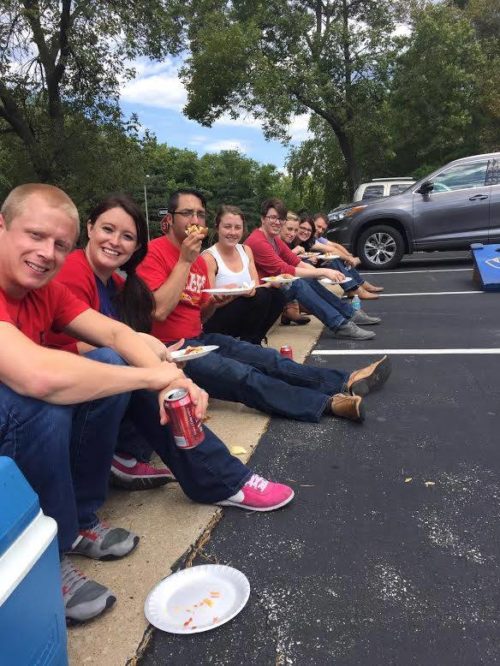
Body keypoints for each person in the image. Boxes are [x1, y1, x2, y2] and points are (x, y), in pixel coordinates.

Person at [0, 185, 293, 627]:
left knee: (112, 362)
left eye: (59, 244)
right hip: (23, 412)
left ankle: (81, 520)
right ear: (2, 227)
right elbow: (36, 375)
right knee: (39, 403)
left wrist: (174, 380)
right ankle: (49, 558)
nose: (47, 253)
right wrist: (151, 376)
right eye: (35, 236)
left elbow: (120, 336)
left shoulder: (49, 289)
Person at [137, 187, 392, 425]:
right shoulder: (154, 253)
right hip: (169, 352)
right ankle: (327, 403)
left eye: (200, 214)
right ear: (169, 219)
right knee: (243, 375)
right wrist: (184, 260)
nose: (195, 219)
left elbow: (201, 314)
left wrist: (218, 302)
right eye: (187, 213)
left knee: (270, 359)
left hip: (198, 339)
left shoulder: (198, 263)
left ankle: (346, 380)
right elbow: (158, 311)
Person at [245, 198, 381, 340]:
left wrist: (322, 274)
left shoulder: (274, 239)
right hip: (260, 294)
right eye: (273, 217)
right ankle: (340, 324)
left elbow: (296, 262)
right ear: (262, 219)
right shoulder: (257, 241)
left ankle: (349, 313)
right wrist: (322, 271)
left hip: (274, 288)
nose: (277, 222)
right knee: (296, 283)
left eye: (280, 219)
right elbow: (284, 270)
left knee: (305, 279)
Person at [202, 204, 286, 343]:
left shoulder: (246, 250)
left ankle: (253, 341)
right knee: (262, 296)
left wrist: (271, 283)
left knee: (278, 296)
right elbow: (207, 304)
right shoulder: (209, 258)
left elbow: (255, 288)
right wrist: (236, 294)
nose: (233, 232)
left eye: (237, 227)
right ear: (217, 227)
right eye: (227, 227)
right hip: (217, 317)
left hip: (242, 312)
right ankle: (249, 344)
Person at [312, 212, 383, 297]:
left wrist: (348, 256)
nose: (320, 231)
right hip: (306, 266)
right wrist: (348, 258)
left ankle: (360, 284)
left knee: (340, 258)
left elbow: (335, 245)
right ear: (311, 222)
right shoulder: (309, 237)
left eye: (323, 229)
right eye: (318, 226)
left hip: (312, 263)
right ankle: (354, 289)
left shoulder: (317, 237)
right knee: (333, 260)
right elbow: (331, 249)